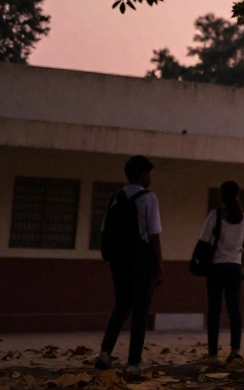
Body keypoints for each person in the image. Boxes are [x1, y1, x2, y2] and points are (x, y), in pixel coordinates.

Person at [95, 155, 163, 376]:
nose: (150, 177)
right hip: (141, 260)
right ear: (142, 175)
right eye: (148, 173)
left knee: (121, 307)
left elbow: (105, 228)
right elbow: (154, 235)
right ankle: (134, 362)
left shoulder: (116, 197)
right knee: (140, 312)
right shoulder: (149, 198)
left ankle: (105, 352)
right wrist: (159, 267)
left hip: (119, 261)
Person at [199, 181, 244, 363]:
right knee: (234, 309)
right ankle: (235, 350)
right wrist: (241, 266)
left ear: (222, 195)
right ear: (237, 195)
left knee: (214, 309)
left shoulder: (216, 214)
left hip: (216, 267)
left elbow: (204, 239)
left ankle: (213, 352)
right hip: (235, 267)